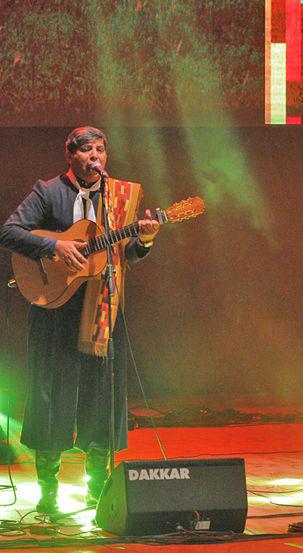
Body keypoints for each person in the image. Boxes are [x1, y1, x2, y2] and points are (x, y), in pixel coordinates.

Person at [0, 127, 160, 514]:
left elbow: (126, 255)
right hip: (56, 309)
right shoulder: (48, 191)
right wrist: (55, 245)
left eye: (101, 149)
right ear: (70, 155)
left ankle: (97, 489)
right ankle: (48, 491)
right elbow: (9, 231)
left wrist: (146, 240)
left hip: (103, 309)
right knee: (51, 397)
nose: (96, 156)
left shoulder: (118, 198)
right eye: (87, 149)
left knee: (101, 398)